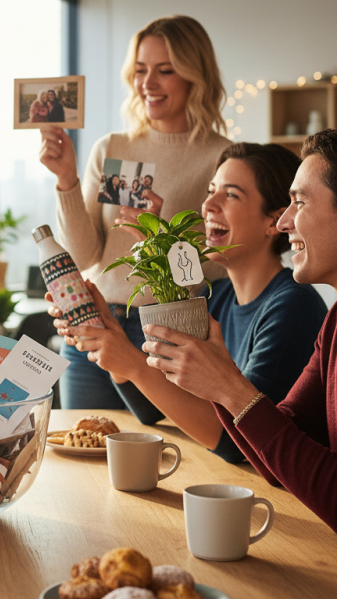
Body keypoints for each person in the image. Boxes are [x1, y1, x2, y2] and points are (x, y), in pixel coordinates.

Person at [53, 142, 327, 462]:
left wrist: (129, 360)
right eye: (211, 191)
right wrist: (110, 341)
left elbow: (238, 443)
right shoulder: (217, 296)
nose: (208, 204)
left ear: (274, 221)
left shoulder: (292, 307)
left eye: (231, 194)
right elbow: (152, 410)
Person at [139, 131, 337, 531]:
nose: (285, 221)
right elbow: (274, 449)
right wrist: (219, 384)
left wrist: (228, 386)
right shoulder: (333, 324)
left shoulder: (295, 306)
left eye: (299, 202)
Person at [39, 15, 230, 410]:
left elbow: (216, 272)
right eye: (141, 70)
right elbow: (85, 255)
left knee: (167, 456)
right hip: (93, 324)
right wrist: (66, 180)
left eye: (165, 70)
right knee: (84, 446)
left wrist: (161, 241)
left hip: (166, 333)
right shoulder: (112, 147)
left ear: (196, 75)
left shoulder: (221, 158)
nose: (148, 83)